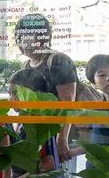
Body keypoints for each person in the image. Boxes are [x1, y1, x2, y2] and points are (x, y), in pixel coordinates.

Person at [13, 13, 78, 162]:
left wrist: (61, 140)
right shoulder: (26, 65)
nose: (22, 42)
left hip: (55, 136)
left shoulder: (58, 60)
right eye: (19, 37)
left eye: (27, 37)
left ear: (43, 36)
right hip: (36, 136)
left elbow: (68, 104)